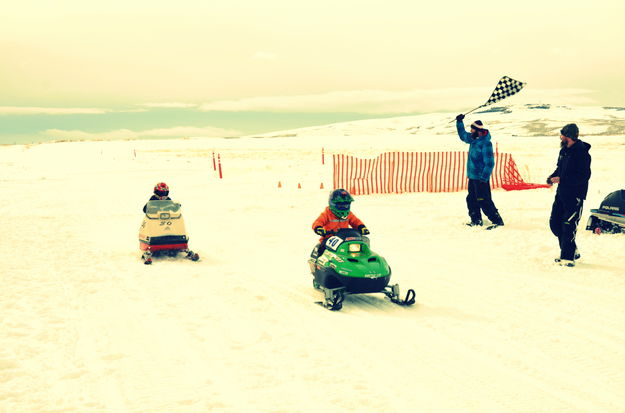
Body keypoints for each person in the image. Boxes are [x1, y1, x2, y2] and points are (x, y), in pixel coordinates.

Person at [546, 123, 591, 267]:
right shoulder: (564, 151)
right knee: (555, 224)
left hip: (575, 196)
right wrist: (552, 177)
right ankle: (572, 250)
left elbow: (583, 177)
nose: (561, 138)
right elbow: (559, 169)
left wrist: (562, 179)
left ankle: (567, 257)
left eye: (562, 135)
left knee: (568, 226)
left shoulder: (582, 153)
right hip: (562, 194)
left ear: (569, 136)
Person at [455, 114, 504, 228]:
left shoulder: (485, 143)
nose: (470, 131)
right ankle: (476, 221)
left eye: (472, 129)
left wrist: (483, 178)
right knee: (471, 199)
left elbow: (490, 163)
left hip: (481, 178)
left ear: (477, 131)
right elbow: (463, 135)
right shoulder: (473, 140)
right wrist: (459, 122)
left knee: (483, 200)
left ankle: (497, 221)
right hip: (472, 177)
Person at [311, 189, 369, 257]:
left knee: (363, 243)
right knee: (322, 248)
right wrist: (318, 228)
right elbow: (318, 221)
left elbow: (355, 221)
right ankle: (318, 263)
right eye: (341, 205)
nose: (344, 207)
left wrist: (362, 227)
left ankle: (364, 259)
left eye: (346, 205)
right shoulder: (327, 214)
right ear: (332, 204)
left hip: (345, 238)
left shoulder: (349, 214)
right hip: (329, 238)